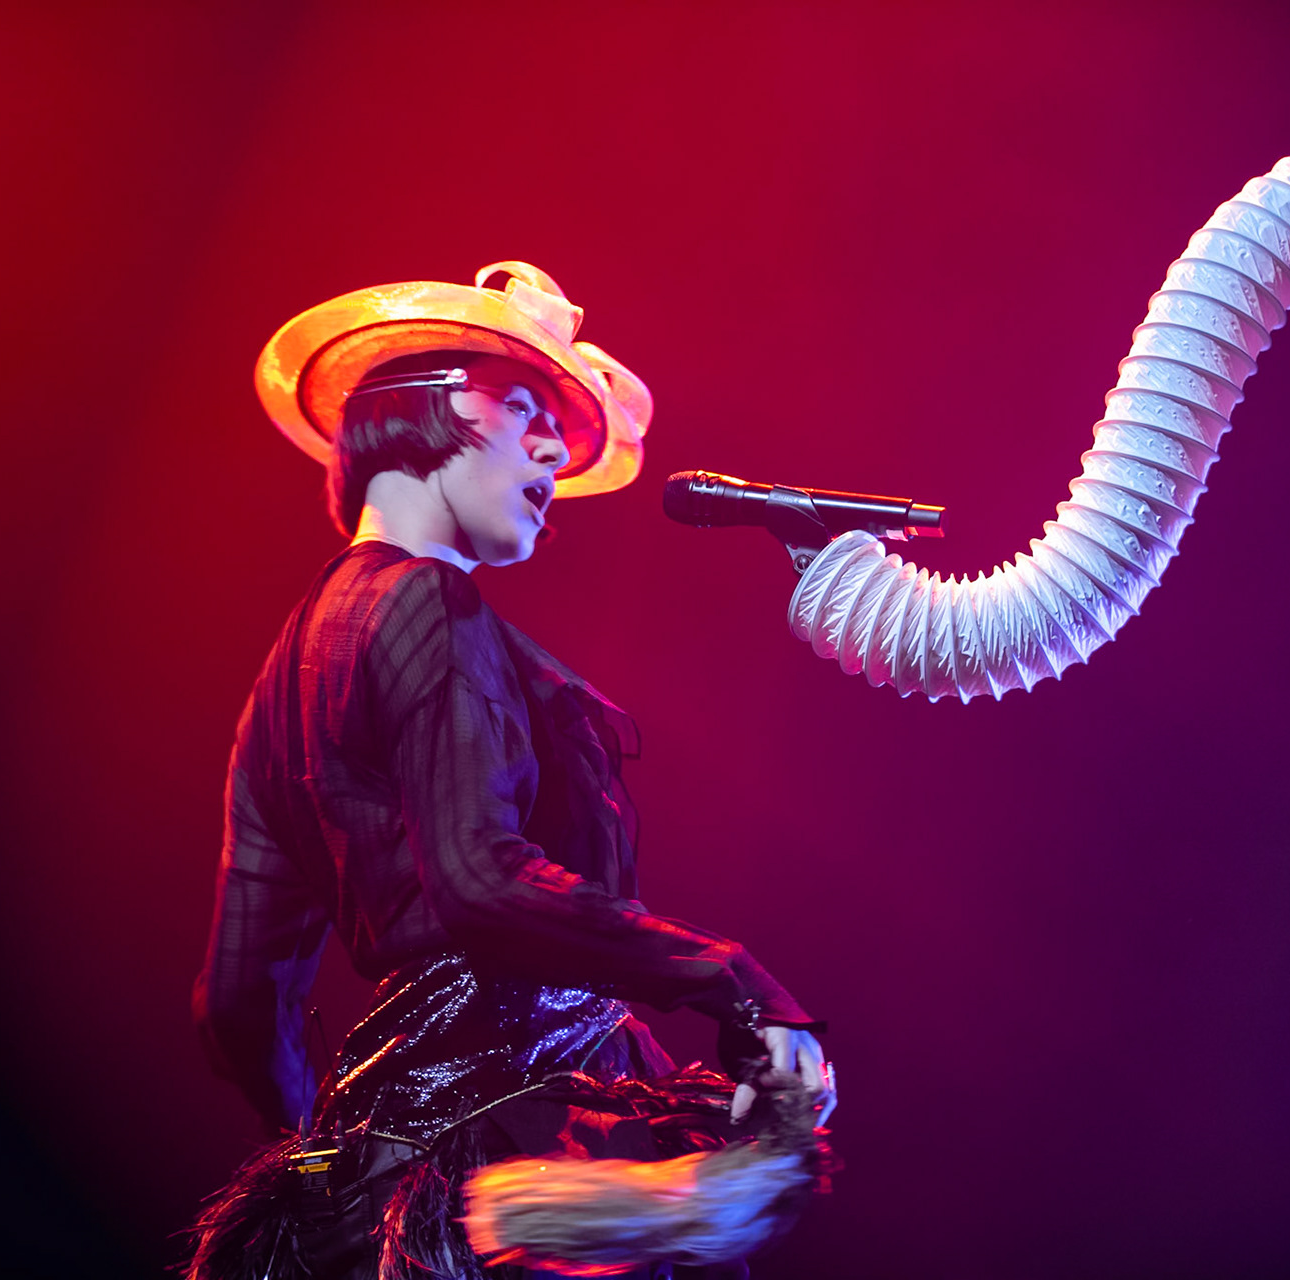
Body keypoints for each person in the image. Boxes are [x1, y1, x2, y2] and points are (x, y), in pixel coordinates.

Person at [188, 262, 836, 1279]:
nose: (550, 453)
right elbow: (480, 876)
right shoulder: (430, 609)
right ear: (437, 404)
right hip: (533, 1123)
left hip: (412, 1171)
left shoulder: (289, 664)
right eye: (525, 409)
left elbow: (237, 998)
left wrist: (326, 1165)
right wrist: (739, 983)